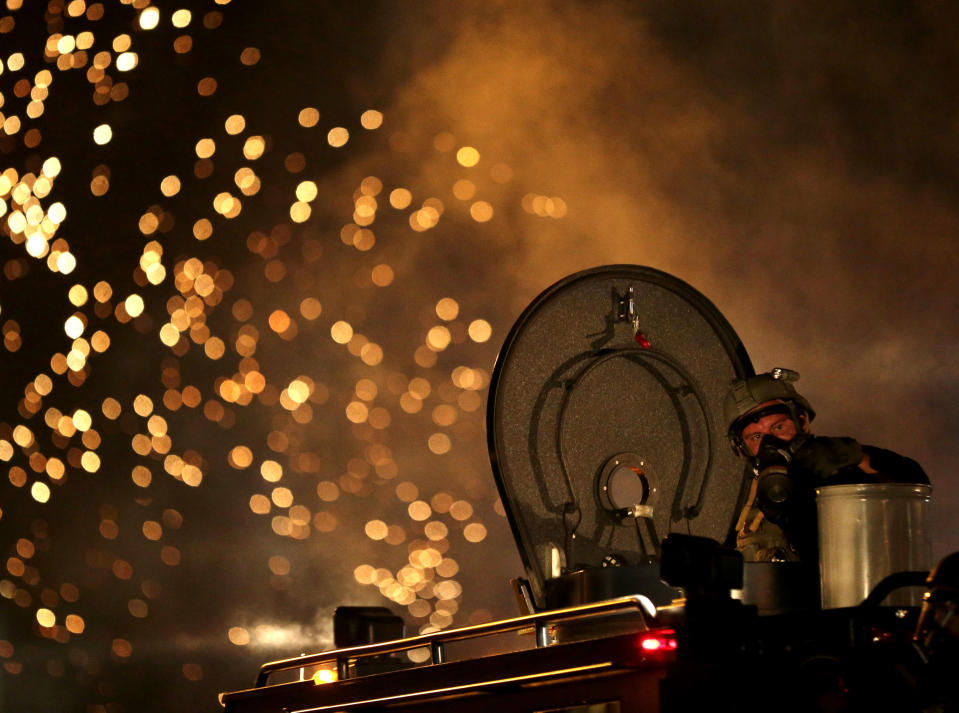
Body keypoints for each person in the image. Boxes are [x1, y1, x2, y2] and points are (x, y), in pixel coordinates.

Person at [723, 367, 929, 563]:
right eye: (756, 436)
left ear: (802, 422)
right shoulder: (743, 500)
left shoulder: (835, 473)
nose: (770, 443)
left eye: (779, 426)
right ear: (742, 448)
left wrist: (853, 455)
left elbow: (912, 485)